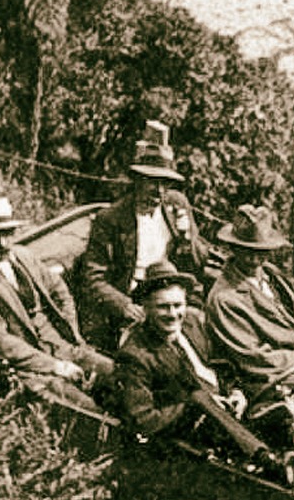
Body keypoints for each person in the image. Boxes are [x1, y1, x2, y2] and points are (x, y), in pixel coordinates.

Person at [0, 197, 113, 404]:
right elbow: (2, 342)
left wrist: (71, 331)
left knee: (120, 376)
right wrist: (56, 366)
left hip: (64, 347)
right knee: (86, 409)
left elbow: (59, 291)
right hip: (31, 368)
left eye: (7, 233)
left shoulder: (25, 256)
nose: (3, 243)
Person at [78, 121, 211, 352]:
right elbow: (92, 278)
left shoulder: (176, 205)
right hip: (134, 300)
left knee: (199, 337)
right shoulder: (111, 219)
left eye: (165, 183)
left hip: (172, 296)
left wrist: (187, 238)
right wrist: (123, 305)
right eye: (152, 181)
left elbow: (199, 262)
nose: (159, 192)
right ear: (137, 180)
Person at [114, 259, 258, 456]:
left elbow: (222, 363)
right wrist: (195, 407)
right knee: (199, 398)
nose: (173, 315)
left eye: (177, 305)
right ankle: (263, 457)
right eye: (163, 307)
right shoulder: (134, 354)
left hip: (230, 409)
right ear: (146, 308)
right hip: (193, 431)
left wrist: (236, 391)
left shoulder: (193, 322)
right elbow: (143, 420)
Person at [205, 203, 294, 407]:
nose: (255, 259)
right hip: (270, 381)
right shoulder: (224, 298)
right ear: (233, 248)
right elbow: (256, 358)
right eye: (247, 251)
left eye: (263, 251)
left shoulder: (271, 276)